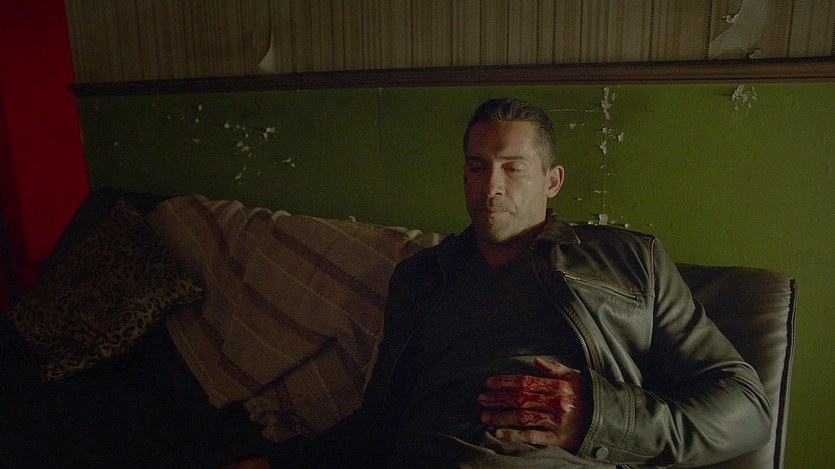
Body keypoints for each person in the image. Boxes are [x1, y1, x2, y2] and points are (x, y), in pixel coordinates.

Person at [303, 98, 771, 468]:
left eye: (513, 167)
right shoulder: (420, 276)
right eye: (477, 167)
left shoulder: (630, 261)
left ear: (552, 181)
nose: (491, 187)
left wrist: (597, 418)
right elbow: (378, 422)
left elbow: (746, 407)